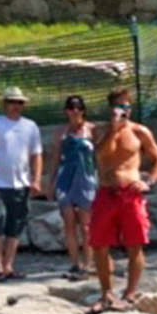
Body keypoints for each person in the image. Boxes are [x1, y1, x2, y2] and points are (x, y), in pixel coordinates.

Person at [89, 88, 157, 311]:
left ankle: (130, 292)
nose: (124, 111)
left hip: (131, 193)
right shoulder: (99, 131)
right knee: (100, 245)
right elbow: (98, 154)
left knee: (135, 244)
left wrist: (148, 181)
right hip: (106, 192)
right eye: (119, 106)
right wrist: (113, 129)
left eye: (127, 106)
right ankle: (106, 293)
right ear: (111, 108)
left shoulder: (139, 131)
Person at [0, 86, 44, 282]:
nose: (16, 106)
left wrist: (36, 179)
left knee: (16, 225)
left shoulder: (30, 126)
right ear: (5, 104)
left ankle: (9, 265)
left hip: (21, 183)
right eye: (12, 102)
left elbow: (37, 154)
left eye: (19, 102)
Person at [52, 94, 97, 277]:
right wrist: (50, 182)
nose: (75, 111)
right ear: (66, 111)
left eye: (78, 108)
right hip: (66, 180)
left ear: (83, 110)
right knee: (69, 222)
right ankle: (75, 263)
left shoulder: (92, 130)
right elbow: (56, 157)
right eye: (71, 108)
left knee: (86, 224)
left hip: (86, 179)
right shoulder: (61, 133)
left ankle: (88, 263)